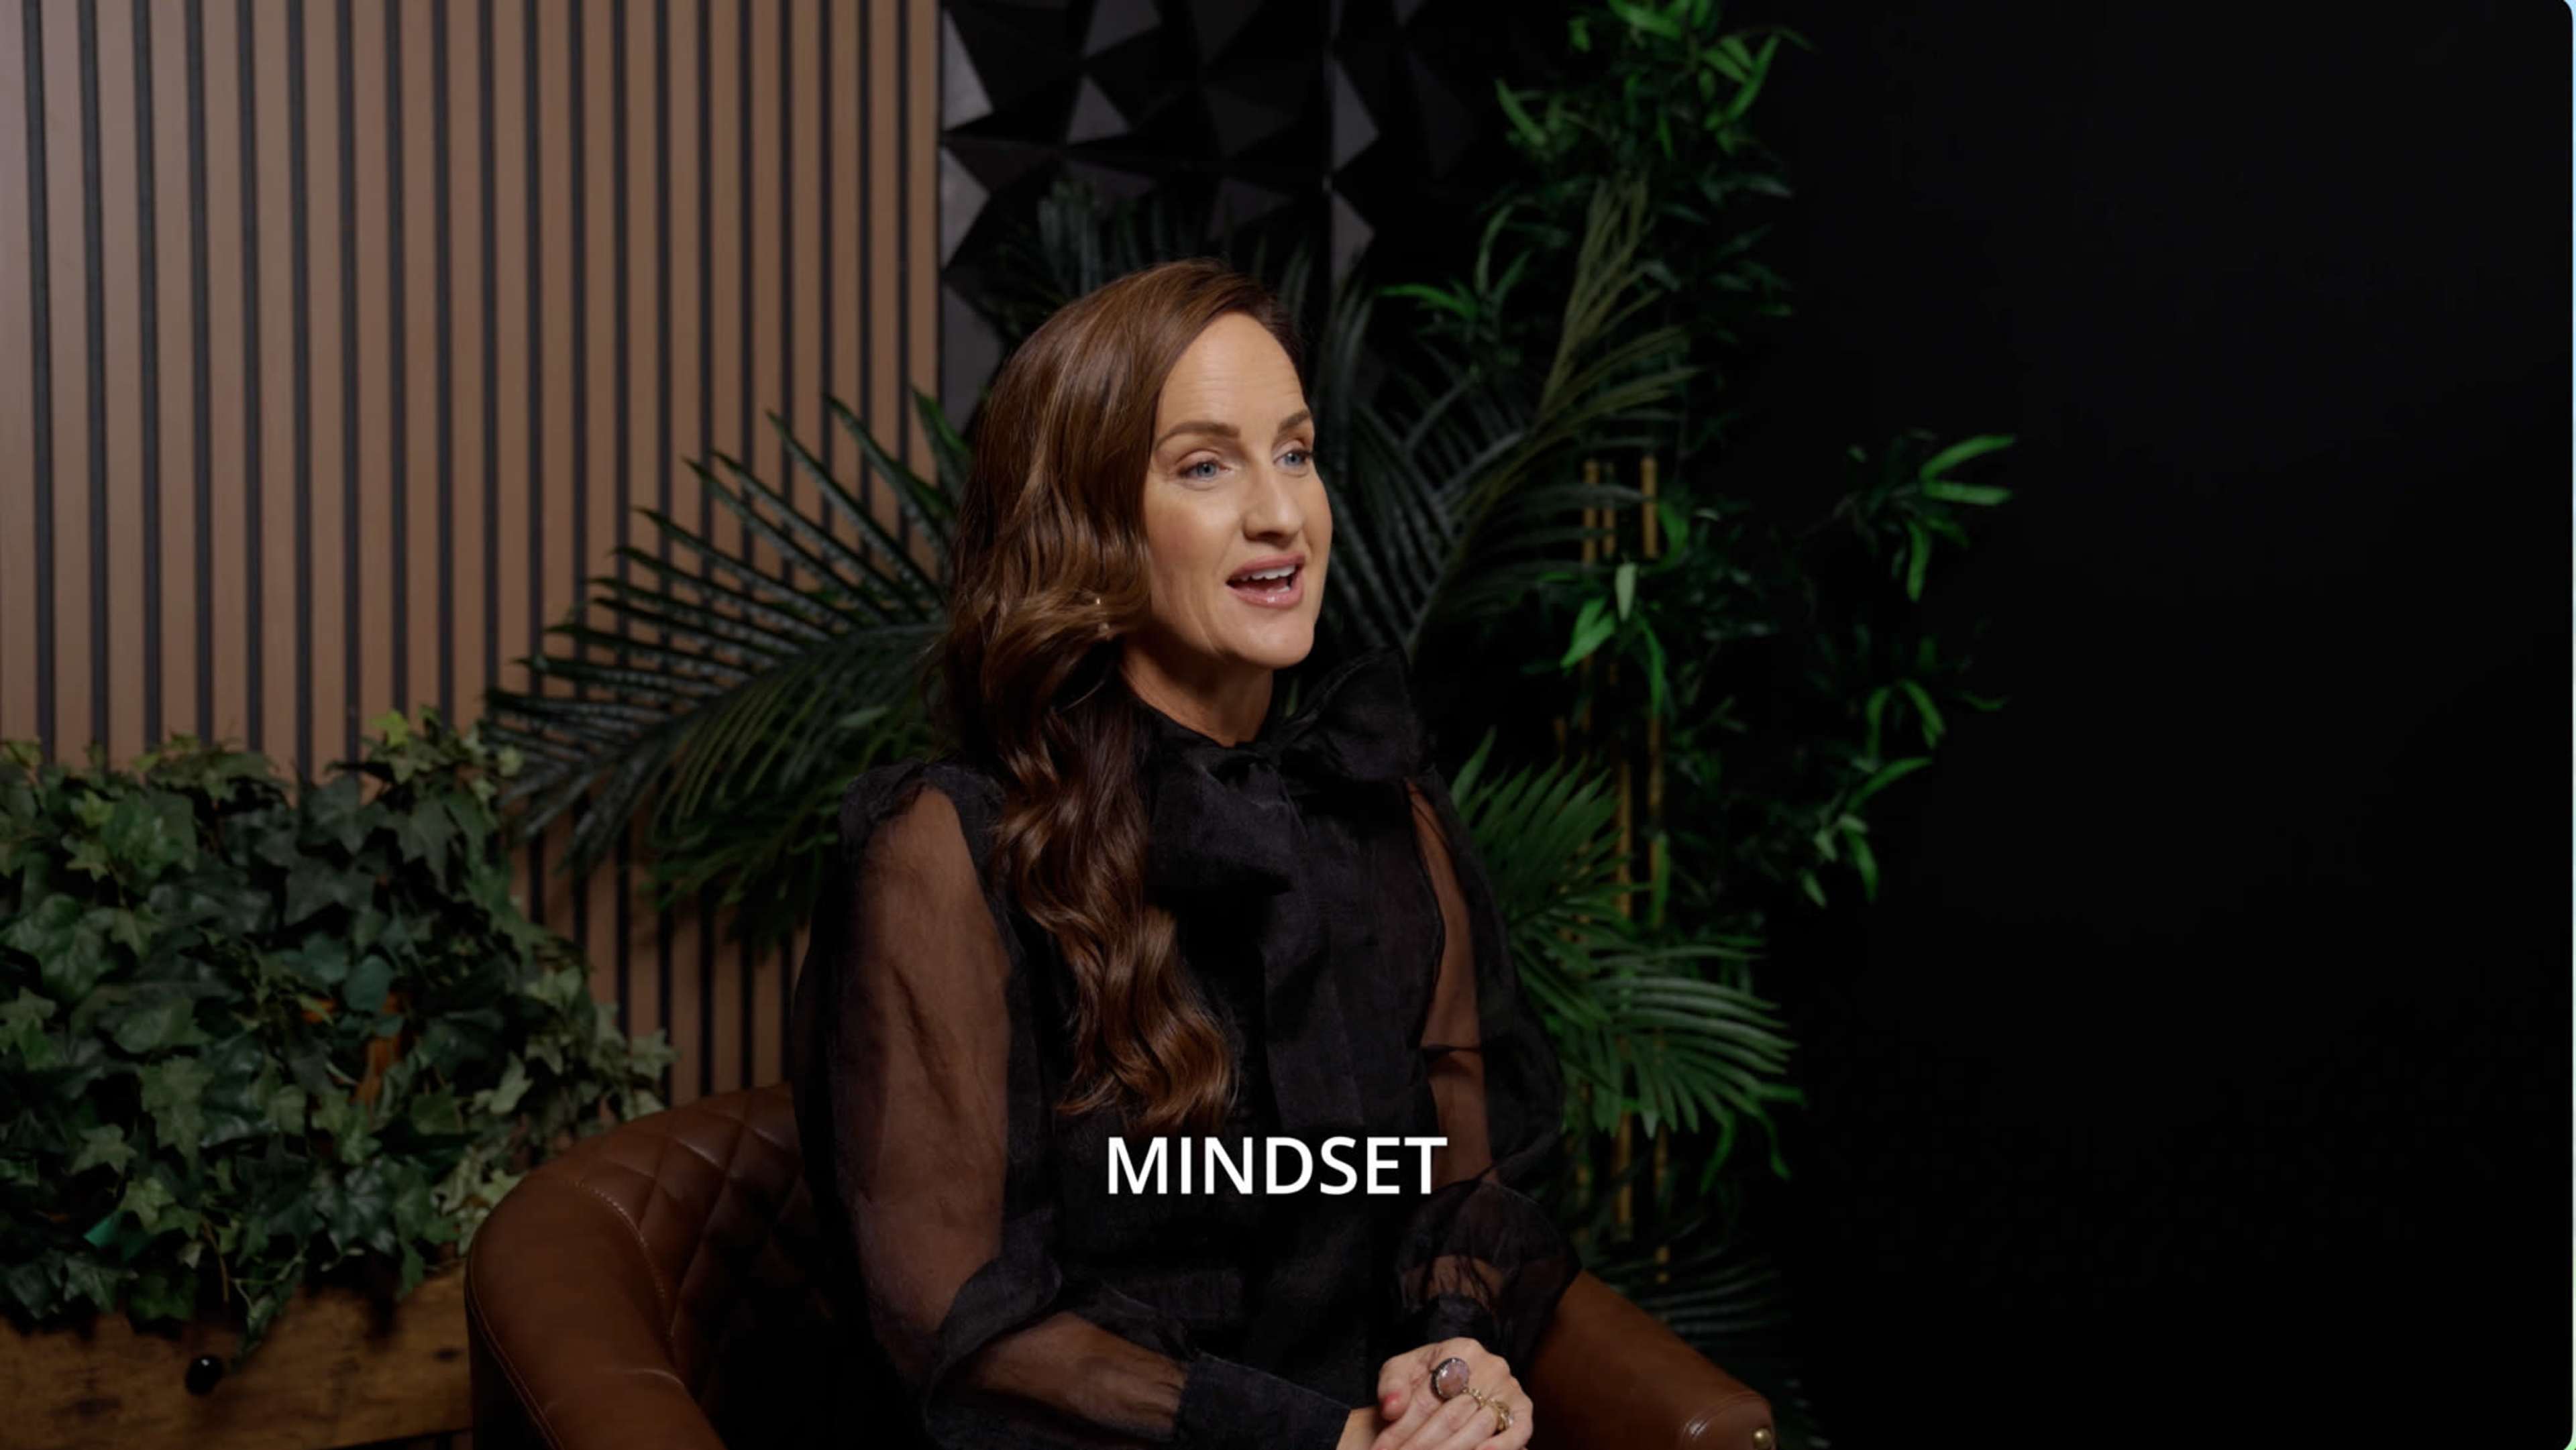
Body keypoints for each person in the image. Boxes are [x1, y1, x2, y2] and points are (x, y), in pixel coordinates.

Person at [786, 258, 1578, 1450]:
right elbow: (960, 1321)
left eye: (1297, 451)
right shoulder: (951, 852)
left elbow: (1464, 1174)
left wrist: (1458, 1352)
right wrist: (1315, 1439)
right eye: (1205, 464)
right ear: (1092, 524)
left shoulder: (1381, 813)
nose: (1282, 512)